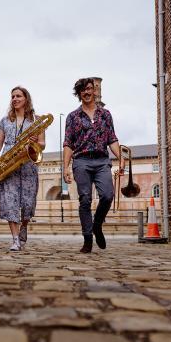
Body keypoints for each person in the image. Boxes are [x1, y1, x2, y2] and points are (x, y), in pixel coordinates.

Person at [63, 78, 125, 253]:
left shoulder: (105, 114)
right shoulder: (72, 117)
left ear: (95, 91)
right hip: (81, 161)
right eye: (83, 90)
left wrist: (121, 157)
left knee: (107, 195)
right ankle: (88, 238)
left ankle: (97, 225)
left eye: (89, 89)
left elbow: (112, 139)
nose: (87, 92)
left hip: (101, 160)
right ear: (79, 94)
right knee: (85, 199)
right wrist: (66, 167)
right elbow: (68, 143)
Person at [0, 86, 45, 251]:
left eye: (18, 96)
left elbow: (42, 144)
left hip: (28, 163)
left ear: (26, 99)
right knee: (10, 201)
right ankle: (15, 239)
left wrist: (36, 142)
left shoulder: (37, 120)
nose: (15, 99)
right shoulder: (5, 120)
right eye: (12, 96)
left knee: (27, 203)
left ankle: (24, 226)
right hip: (8, 163)